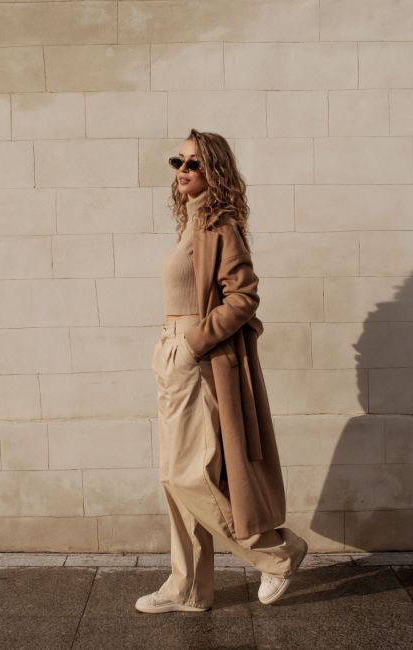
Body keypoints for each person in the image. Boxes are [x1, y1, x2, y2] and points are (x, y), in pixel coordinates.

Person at [135, 129, 308, 614]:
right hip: (173, 352)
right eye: (178, 161)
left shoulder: (219, 225)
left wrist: (193, 342)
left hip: (196, 356)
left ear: (215, 172)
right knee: (173, 478)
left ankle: (277, 553)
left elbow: (244, 296)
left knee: (186, 475)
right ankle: (189, 588)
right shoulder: (190, 224)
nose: (182, 171)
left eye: (193, 164)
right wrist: (173, 347)